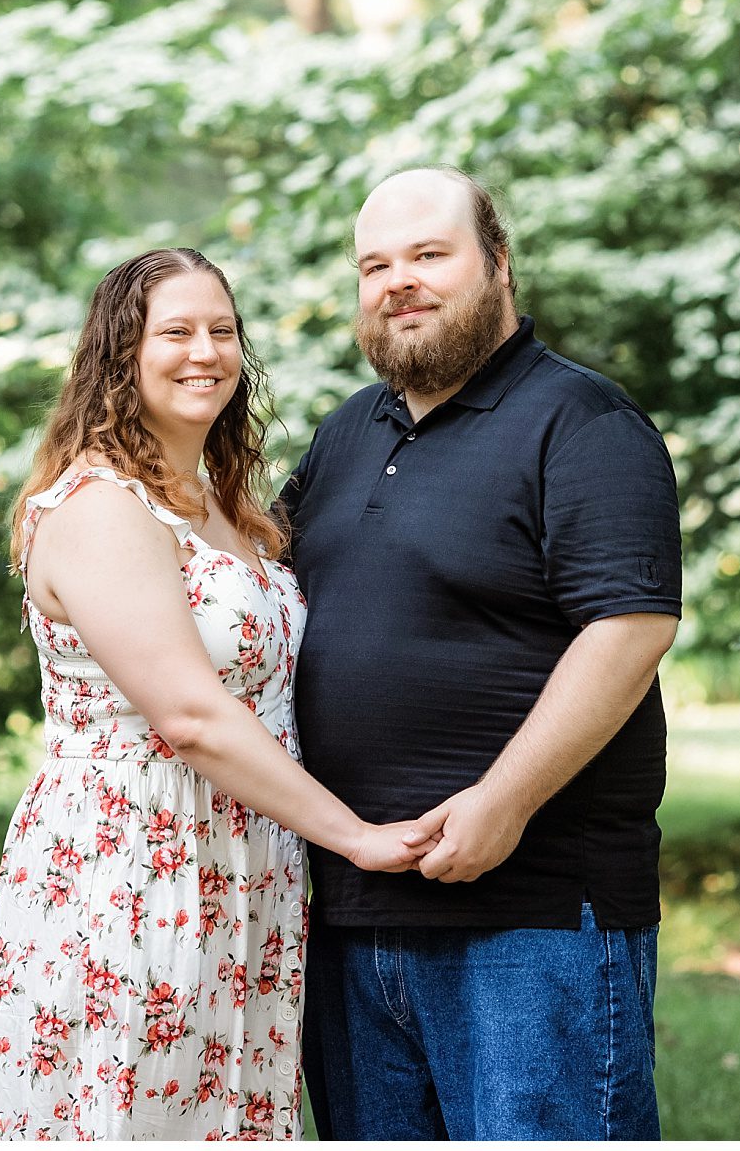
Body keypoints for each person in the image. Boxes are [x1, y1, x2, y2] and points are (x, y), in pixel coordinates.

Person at [0, 247, 433, 1141]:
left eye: (222, 330)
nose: (205, 352)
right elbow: (188, 716)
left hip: (242, 861)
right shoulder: (101, 505)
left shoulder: (223, 502)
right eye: (175, 332)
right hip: (137, 859)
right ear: (121, 354)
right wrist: (356, 838)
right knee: (132, 1110)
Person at [279, 167, 683, 1139]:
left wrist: (503, 801)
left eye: (429, 254)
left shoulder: (581, 420)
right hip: (351, 913)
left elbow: (630, 628)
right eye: (375, 265)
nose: (399, 282)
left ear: (499, 263)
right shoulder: (345, 431)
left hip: (532, 918)